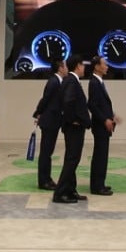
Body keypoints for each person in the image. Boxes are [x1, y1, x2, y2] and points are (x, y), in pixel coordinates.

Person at [53, 54, 90, 204]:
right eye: (83, 65)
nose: (84, 68)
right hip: (73, 127)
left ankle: (70, 190)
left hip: (74, 127)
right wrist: (73, 120)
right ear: (78, 66)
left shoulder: (71, 80)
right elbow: (67, 103)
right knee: (72, 159)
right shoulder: (71, 81)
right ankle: (60, 193)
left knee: (73, 158)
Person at [32, 58, 67, 190]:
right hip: (49, 121)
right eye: (65, 66)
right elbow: (45, 99)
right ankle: (43, 181)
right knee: (46, 152)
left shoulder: (58, 81)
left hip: (53, 120)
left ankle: (47, 178)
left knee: (48, 152)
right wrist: (38, 113)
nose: (67, 69)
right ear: (60, 68)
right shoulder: (53, 82)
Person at [88, 55, 116, 195]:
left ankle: (100, 182)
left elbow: (101, 104)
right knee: (100, 155)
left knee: (102, 155)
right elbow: (92, 105)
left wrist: (111, 116)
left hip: (103, 124)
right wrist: (105, 119)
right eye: (104, 64)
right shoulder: (94, 83)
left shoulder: (99, 82)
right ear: (97, 66)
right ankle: (97, 186)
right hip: (100, 126)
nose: (107, 66)